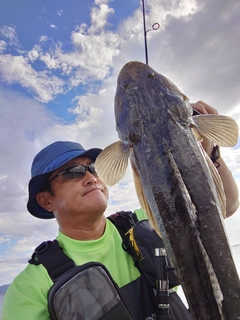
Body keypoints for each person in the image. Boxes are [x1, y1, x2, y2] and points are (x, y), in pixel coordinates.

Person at [2, 101, 239, 320]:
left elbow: (224, 206)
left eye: (93, 168)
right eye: (72, 172)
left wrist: (209, 153)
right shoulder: (29, 290)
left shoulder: (141, 225)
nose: (90, 177)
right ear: (46, 200)